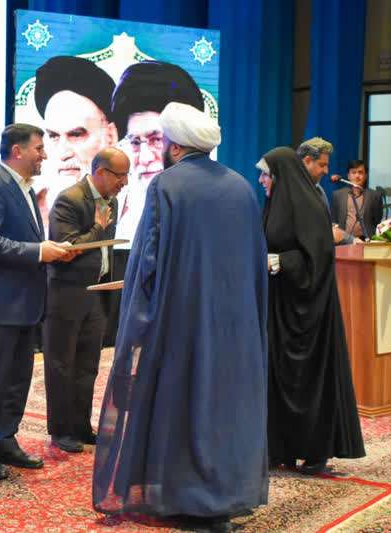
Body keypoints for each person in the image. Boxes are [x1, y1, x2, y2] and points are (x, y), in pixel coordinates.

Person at [93, 103, 268, 533]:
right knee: (224, 407)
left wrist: (136, 324)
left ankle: (185, 500)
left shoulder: (166, 186)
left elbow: (145, 264)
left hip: (181, 323)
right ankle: (224, 498)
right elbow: (256, 263)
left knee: (182, 405)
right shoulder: (241, 187)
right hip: (237, 327)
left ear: (174, 147)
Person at [0, 123, 77, 480]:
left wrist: (50, 251)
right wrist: (40, 252)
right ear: (17, 151)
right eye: (39, 148)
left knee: (17, 380)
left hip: (24, 303)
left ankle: (4, 438)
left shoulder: (25, 188)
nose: (45, 155)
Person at [260, 146, 365, 475]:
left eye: (266, 174)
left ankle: (314, 451)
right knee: (276, 377)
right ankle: (279, 448)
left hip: (309, 311)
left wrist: (281, 260)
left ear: (282, 175)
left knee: (307, 380)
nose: (261, 180)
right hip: (279, 307)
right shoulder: (273, 204)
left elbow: (319, 257)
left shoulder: (310, 205)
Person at [43, 147, 128, 454]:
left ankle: (80, 426)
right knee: (61, 365)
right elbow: (67, 250)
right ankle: (61, 430)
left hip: (96, 293)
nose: (124, 183)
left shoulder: (111, 201)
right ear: (101, 173)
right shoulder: (70, 199)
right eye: (120, 176)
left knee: (87, 366)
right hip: (67, 294)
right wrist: (98, 229)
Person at [110, 61, 205, 241]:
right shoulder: (115, 207)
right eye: (135, 142)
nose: (144, 158)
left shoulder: (208, 204)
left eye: (157, 140)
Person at [34, 56, 118, 220]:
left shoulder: (130, 214)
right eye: (53, 136)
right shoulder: (25, 213)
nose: (63, 153)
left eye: (76, 135)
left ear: (110, 136)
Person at [297, 137, 359, 245]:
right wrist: (327, 234)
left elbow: (327, 225)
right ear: (307, 161)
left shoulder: (319, 190)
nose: (326, 171)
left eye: (327, 165)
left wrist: (353, 240)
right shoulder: (290, 190)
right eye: (322, 165)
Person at [330, 160, 383, 240]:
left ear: (365, 175)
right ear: (348, 175)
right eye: (354, 172)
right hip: (344, 240)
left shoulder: (375, 196)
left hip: (366, 240)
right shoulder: (338, 195)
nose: (357, 176)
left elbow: (377, 220)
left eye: (360, 172)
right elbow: (334, 219)